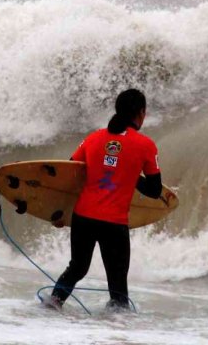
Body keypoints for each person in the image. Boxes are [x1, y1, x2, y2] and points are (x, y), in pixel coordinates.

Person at [45, 88, 163, 311]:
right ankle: (116, 330)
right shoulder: (146, 145)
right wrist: (133, 176)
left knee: (77, 268)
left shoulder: (93, 138)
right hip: (114, 224)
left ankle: (51, 305)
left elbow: (69, 174)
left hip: (83, 218)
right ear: (141, 113)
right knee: (117, 281)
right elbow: (155, 190)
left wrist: (58, 212)